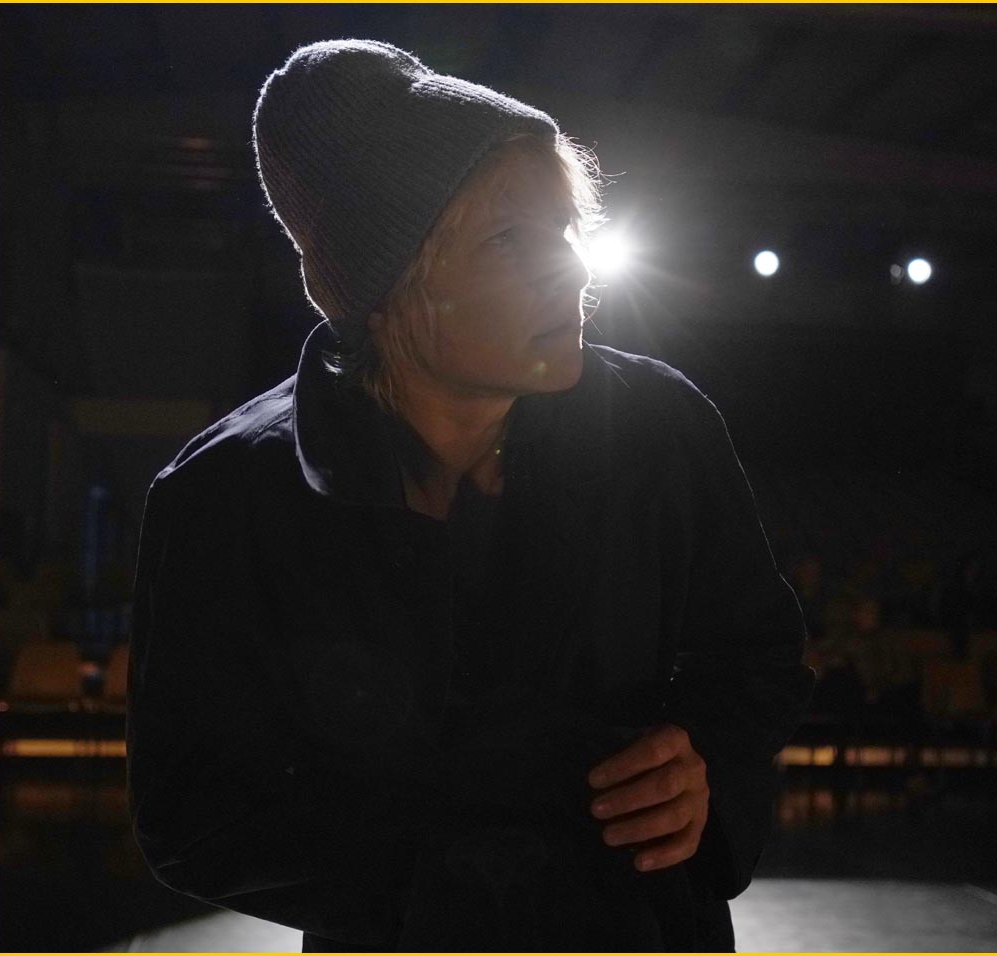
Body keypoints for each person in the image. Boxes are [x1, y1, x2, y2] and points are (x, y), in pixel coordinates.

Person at [126, 39, 815, 952]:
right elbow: (190, 813)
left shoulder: (661, 429)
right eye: (508, 240)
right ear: (390, 287)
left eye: (564, 230)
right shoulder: (229, 497)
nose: (574, 271)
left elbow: (757, 655)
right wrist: (460, 870)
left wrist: (703, 760)